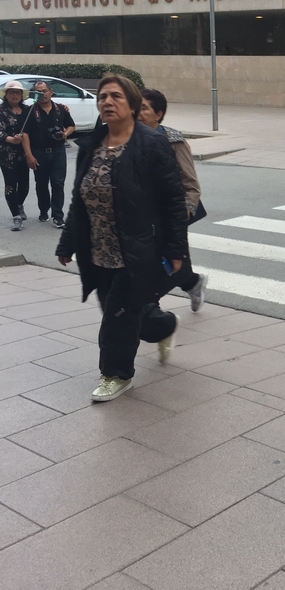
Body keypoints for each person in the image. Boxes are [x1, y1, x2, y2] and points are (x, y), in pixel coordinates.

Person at [56, 75, 188, 402]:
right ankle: (164, 325)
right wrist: (67, 242)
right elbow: (79, 198)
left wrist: (175, 249)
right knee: (127, 313)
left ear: (130, 104)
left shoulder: (150, 143)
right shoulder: (91, 145)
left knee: (117, 316)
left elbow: (173, 199)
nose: (107, 102)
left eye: (115, 96)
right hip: (98, 251)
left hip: (136, 251)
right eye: (103, 97)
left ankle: (116, 375)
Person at [138, 88, 208, 311]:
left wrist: (183, 213)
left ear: (158, 114)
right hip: (140, 216)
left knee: (167, 264)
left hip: (170, 215)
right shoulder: (128, 137)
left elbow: (191, 184)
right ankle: (193, 284)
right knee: (167, 265)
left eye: (143, 108)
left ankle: (151, 313)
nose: (137, 113)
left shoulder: (173, 140)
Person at [21, 80, 75, 228]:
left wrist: (65, 133)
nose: (42, 94)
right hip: (39, 153)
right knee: (41, 184)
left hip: (58, 152)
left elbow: (71, 125)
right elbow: (24, 133)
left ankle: (58, 216)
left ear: (50, 91)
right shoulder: (30, 111)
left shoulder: (61, 109)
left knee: (58, 184)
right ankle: (43, 210)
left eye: (44, 91)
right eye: (38, 92)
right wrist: (29, 155)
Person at [0, 82, 31, 231]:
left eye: (17, 92)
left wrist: (63, 108)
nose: (14, 95)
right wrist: (10, 139)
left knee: (24, 185)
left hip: (24, 154)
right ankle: (16, 216)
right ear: (6, 95)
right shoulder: (1, 110)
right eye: (11, 92)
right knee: (11, 185)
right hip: (7, 154)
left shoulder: (27, 110)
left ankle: (19, 204)